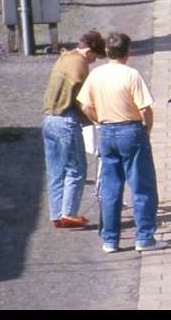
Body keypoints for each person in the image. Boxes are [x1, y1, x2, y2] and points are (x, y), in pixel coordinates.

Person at [77, 32, 166, 253]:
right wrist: (147, 129)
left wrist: (98, 120)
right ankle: (144, 237)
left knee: (110, 188)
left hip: (107, 131)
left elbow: (85, 106)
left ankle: (110, 240)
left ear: (107, 52)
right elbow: (145, 108)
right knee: (141, 186)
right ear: (128, 52)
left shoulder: (96, 75)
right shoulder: (131, 75)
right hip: (131, 129)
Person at [42, 29, 106, 228]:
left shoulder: (64, 58)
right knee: (76, 169)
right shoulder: (80, 64)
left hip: (48, 119)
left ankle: (57, 214)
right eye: (95, 57)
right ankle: (69, 213)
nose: (94, 61)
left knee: (55, 171)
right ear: (89, 51)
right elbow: (82, 101)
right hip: (66, 122)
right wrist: (96, 120)